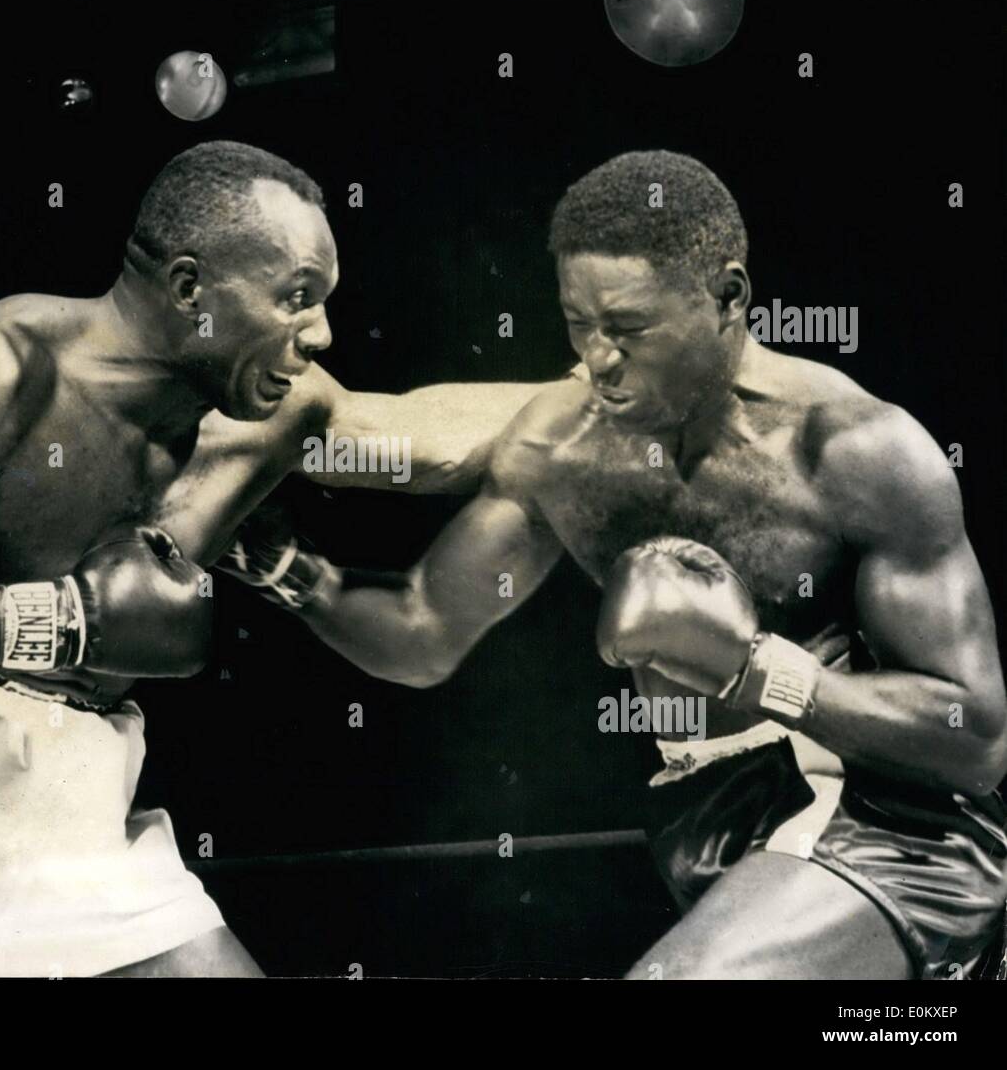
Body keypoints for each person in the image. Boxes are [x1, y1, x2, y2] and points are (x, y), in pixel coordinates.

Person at [0, 140, 544, 977]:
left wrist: (647, 382)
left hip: (74, 776)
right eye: (295, 298)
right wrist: (64, 621)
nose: (322, 332)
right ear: (191, 289)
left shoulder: (275, 419)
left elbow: (444, 442)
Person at [221, 150, 1007, 979]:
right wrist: (287, 571)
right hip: (708, 818)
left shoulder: (854, 452)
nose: (598, 359)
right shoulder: (563, 448)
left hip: (891, 822)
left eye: (628, 329)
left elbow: (976, 735)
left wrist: (752, 670)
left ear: (729, 298)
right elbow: (422, 632)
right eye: (578, 325)